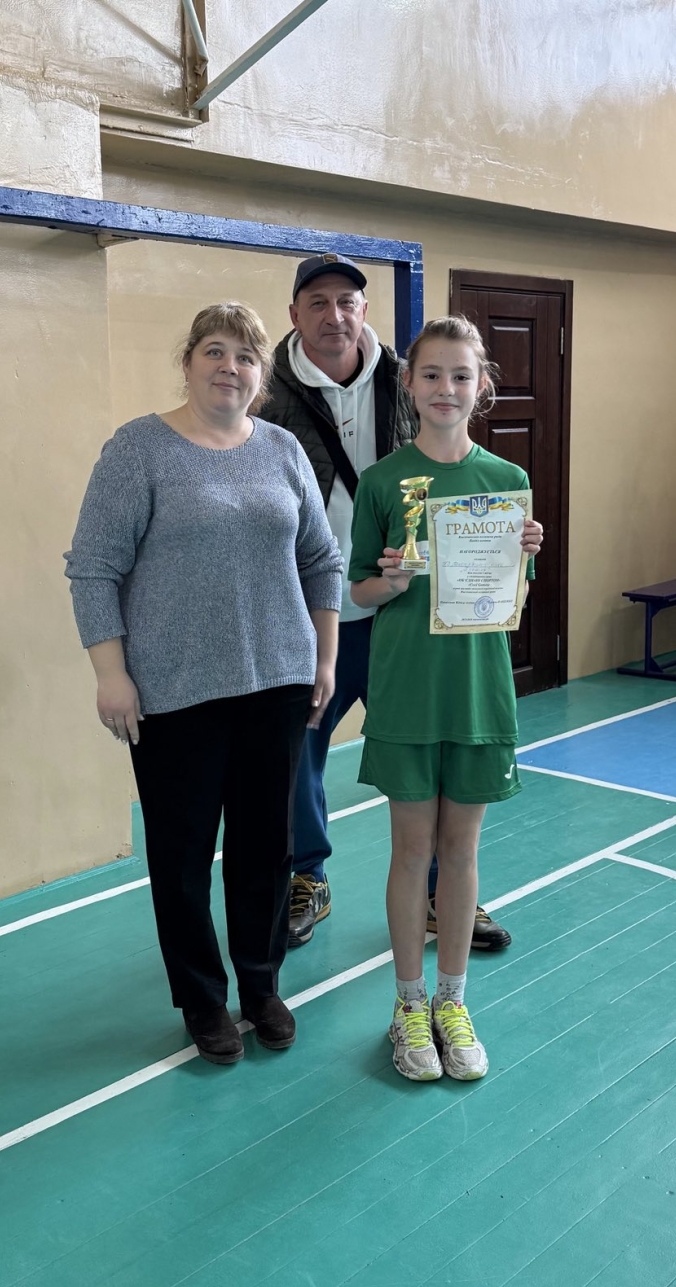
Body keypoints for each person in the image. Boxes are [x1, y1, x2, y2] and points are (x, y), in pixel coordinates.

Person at [64, 302, 342, 1066]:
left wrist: (323, 661)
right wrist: (111, 673)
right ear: (187, 362)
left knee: (266, 848)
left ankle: (260, 983)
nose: (230, 367)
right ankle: (200, 997)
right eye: (214, 351)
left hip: (277, 683)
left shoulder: (282, 449)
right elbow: (93, 567)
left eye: (246, 356)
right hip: (175, 693)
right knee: (183, 857)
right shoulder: (139, 449)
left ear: (261, 375)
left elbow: (321, 559)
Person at [261, 253, 513, 953]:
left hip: (407, 615)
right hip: (311, 612)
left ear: (364, 311)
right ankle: (307, 876)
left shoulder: (410, 377)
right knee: (299, 750)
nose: (334, 315)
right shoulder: (267, 398)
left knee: (431, 758)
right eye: (317, 302)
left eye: (347, 301)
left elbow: (456, 470)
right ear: (294, 315)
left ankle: (443, 892)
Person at [348, 315, 544, 1081]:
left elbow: (512, 593)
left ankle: (452, 1001)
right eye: (431, 373)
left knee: (461, 851)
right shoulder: (382, 482)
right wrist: (390, 579)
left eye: (461, 375)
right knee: (411, 850)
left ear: (481, 386)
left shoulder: (507, 481)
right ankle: (407, 1005)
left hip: (477, 693)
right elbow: (360, 589)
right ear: (408, 383)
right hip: (405, 690)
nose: (446, 388)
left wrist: (525, 552)